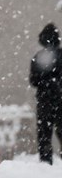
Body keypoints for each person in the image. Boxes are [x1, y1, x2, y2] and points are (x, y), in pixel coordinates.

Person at [31, 23, 62, 163]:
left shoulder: (38, 57)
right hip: (60, 99)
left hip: (45, 101)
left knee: (44, 135)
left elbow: (33, 81)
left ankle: (45, 165)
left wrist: (45, 83)